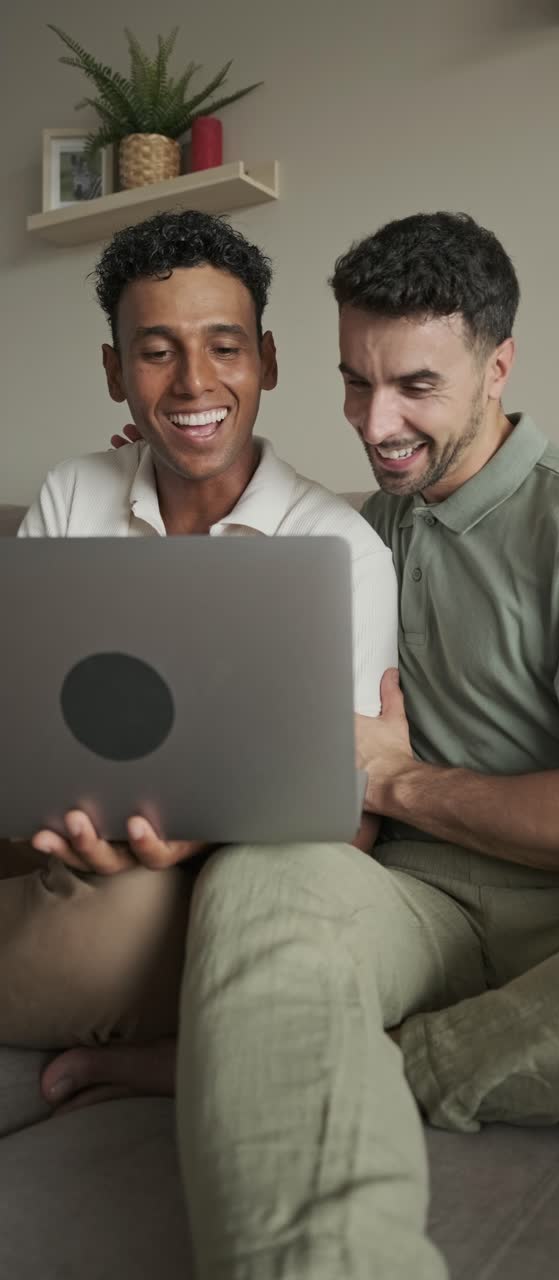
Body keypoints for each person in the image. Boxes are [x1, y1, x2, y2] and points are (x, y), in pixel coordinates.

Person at [169, 212, 559, 1280]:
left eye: (415, 385)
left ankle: (341, 1063)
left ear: (498, 364)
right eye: (354, 381)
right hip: (412, 906)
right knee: (260, 881)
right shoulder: (355, 531)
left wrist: (400, 776)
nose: (376, 424)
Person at [0, 209, 397, 1097]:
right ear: (114, 371)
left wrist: (191, 841)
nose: (193, 382)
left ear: (268, 359)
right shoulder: (74, 492)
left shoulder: (339, 552)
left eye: (224, 346)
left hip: (193, 884)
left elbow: (349, 822)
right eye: (155, 351)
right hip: (53, 833)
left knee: (128, 909)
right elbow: (23, 713)